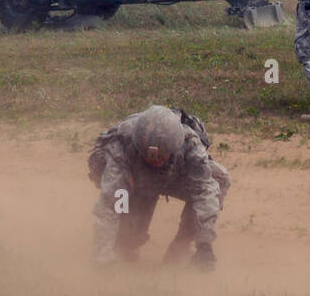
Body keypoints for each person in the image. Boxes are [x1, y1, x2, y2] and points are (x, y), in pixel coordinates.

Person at [88, 104, 230, 270]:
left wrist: (204, 245)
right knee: (126, 247)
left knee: (218, 179)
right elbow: (111, 202)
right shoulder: (122, 146)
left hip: (175, 176)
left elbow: (204, 192)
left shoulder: (190, 145)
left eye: (162, 155)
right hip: (136, 182)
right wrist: (102, 253)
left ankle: (182, 242)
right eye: (151, 156)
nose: (156, 160)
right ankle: (128, 239)